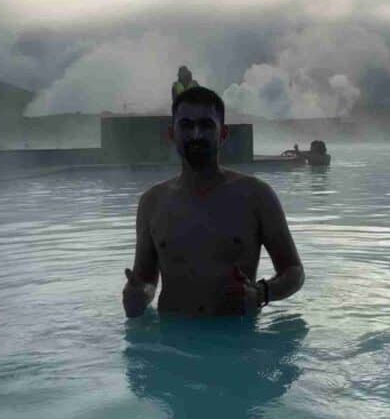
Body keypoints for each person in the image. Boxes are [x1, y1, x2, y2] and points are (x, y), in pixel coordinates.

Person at [123, 86, 305, 318]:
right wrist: (138, 296)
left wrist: (261, 293)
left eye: (206, 125)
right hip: (170, 341)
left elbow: (293, 271)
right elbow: (146, 280)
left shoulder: (256, 196)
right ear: (172, 133)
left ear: (223, 134)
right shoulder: (153, 202)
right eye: (186, 125)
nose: (196, 134)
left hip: (235, 343)